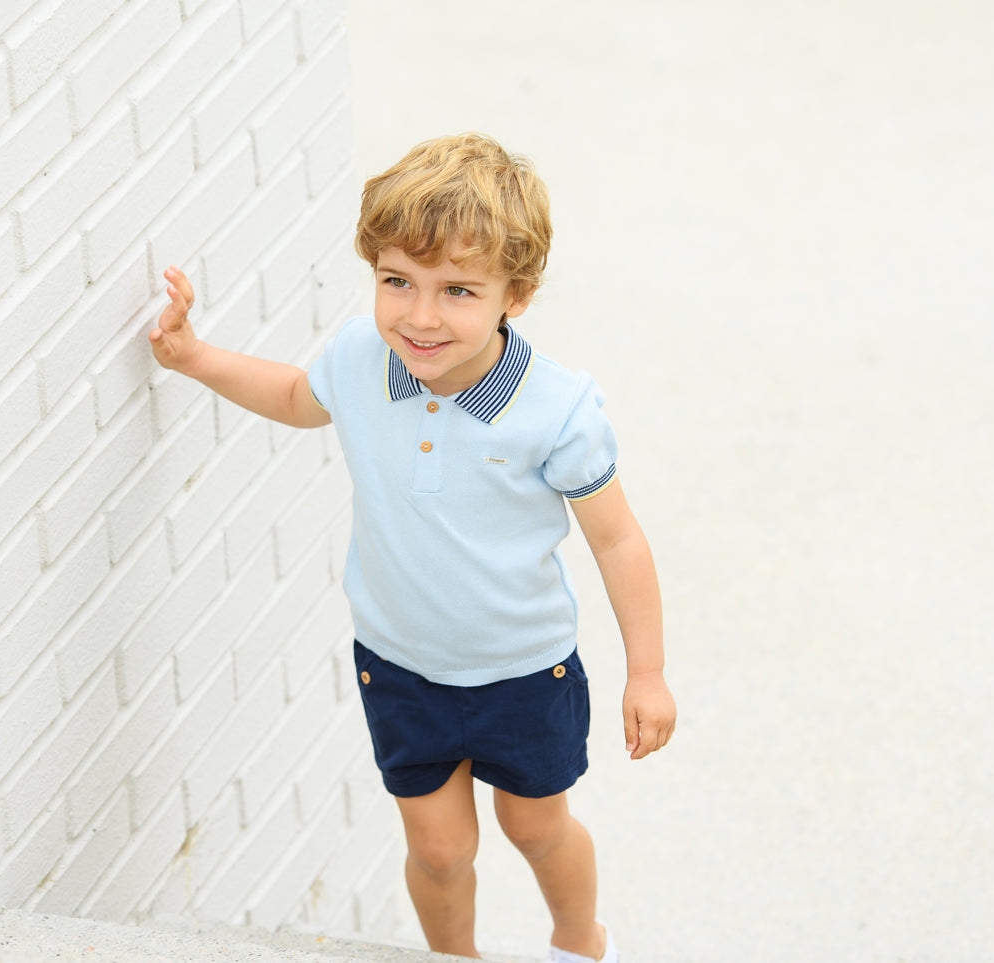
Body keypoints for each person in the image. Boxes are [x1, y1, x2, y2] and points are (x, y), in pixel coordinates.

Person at [149, 133, 675, 963]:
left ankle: (580, 939)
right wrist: (193, 356)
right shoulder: (362, 358)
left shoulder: (558, 410)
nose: (420, 316)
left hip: (522, 668)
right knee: (437, 847)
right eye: (396, 281)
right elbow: (293, 395)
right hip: (399, 663)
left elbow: (617, 539)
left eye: (457, 291)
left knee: (534, 825)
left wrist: (645, 671)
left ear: (517, 295)